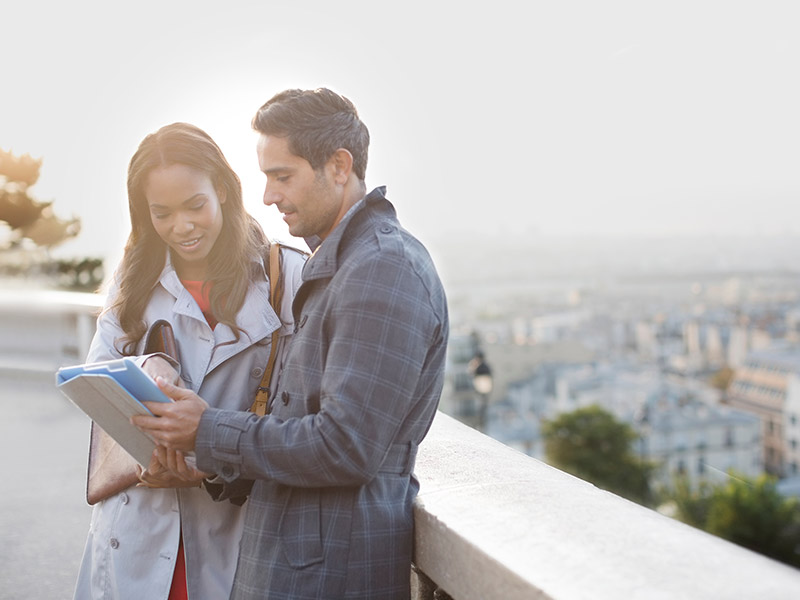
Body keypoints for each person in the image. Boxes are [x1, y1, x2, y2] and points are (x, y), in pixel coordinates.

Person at [133, 88, 450, 599]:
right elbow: (294, 425)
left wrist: (208, 429)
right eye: (266, 178)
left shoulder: (381, 269)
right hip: (292, 568)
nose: (268, 197)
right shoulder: (339, 266)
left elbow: (347, 447)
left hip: (330, 577)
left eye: (283, 176)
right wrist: (208, 464)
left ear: (339, 166)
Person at [73, 122, 305, 599]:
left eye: (194, 206)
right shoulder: (132, 281)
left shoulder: (288, 280)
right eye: (162, 213)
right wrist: (146, 462)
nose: (182, 226)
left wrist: (213, 459)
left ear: (222, 188)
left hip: (233, 524)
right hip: (138, 521)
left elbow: (300, 416)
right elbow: (99, 386)